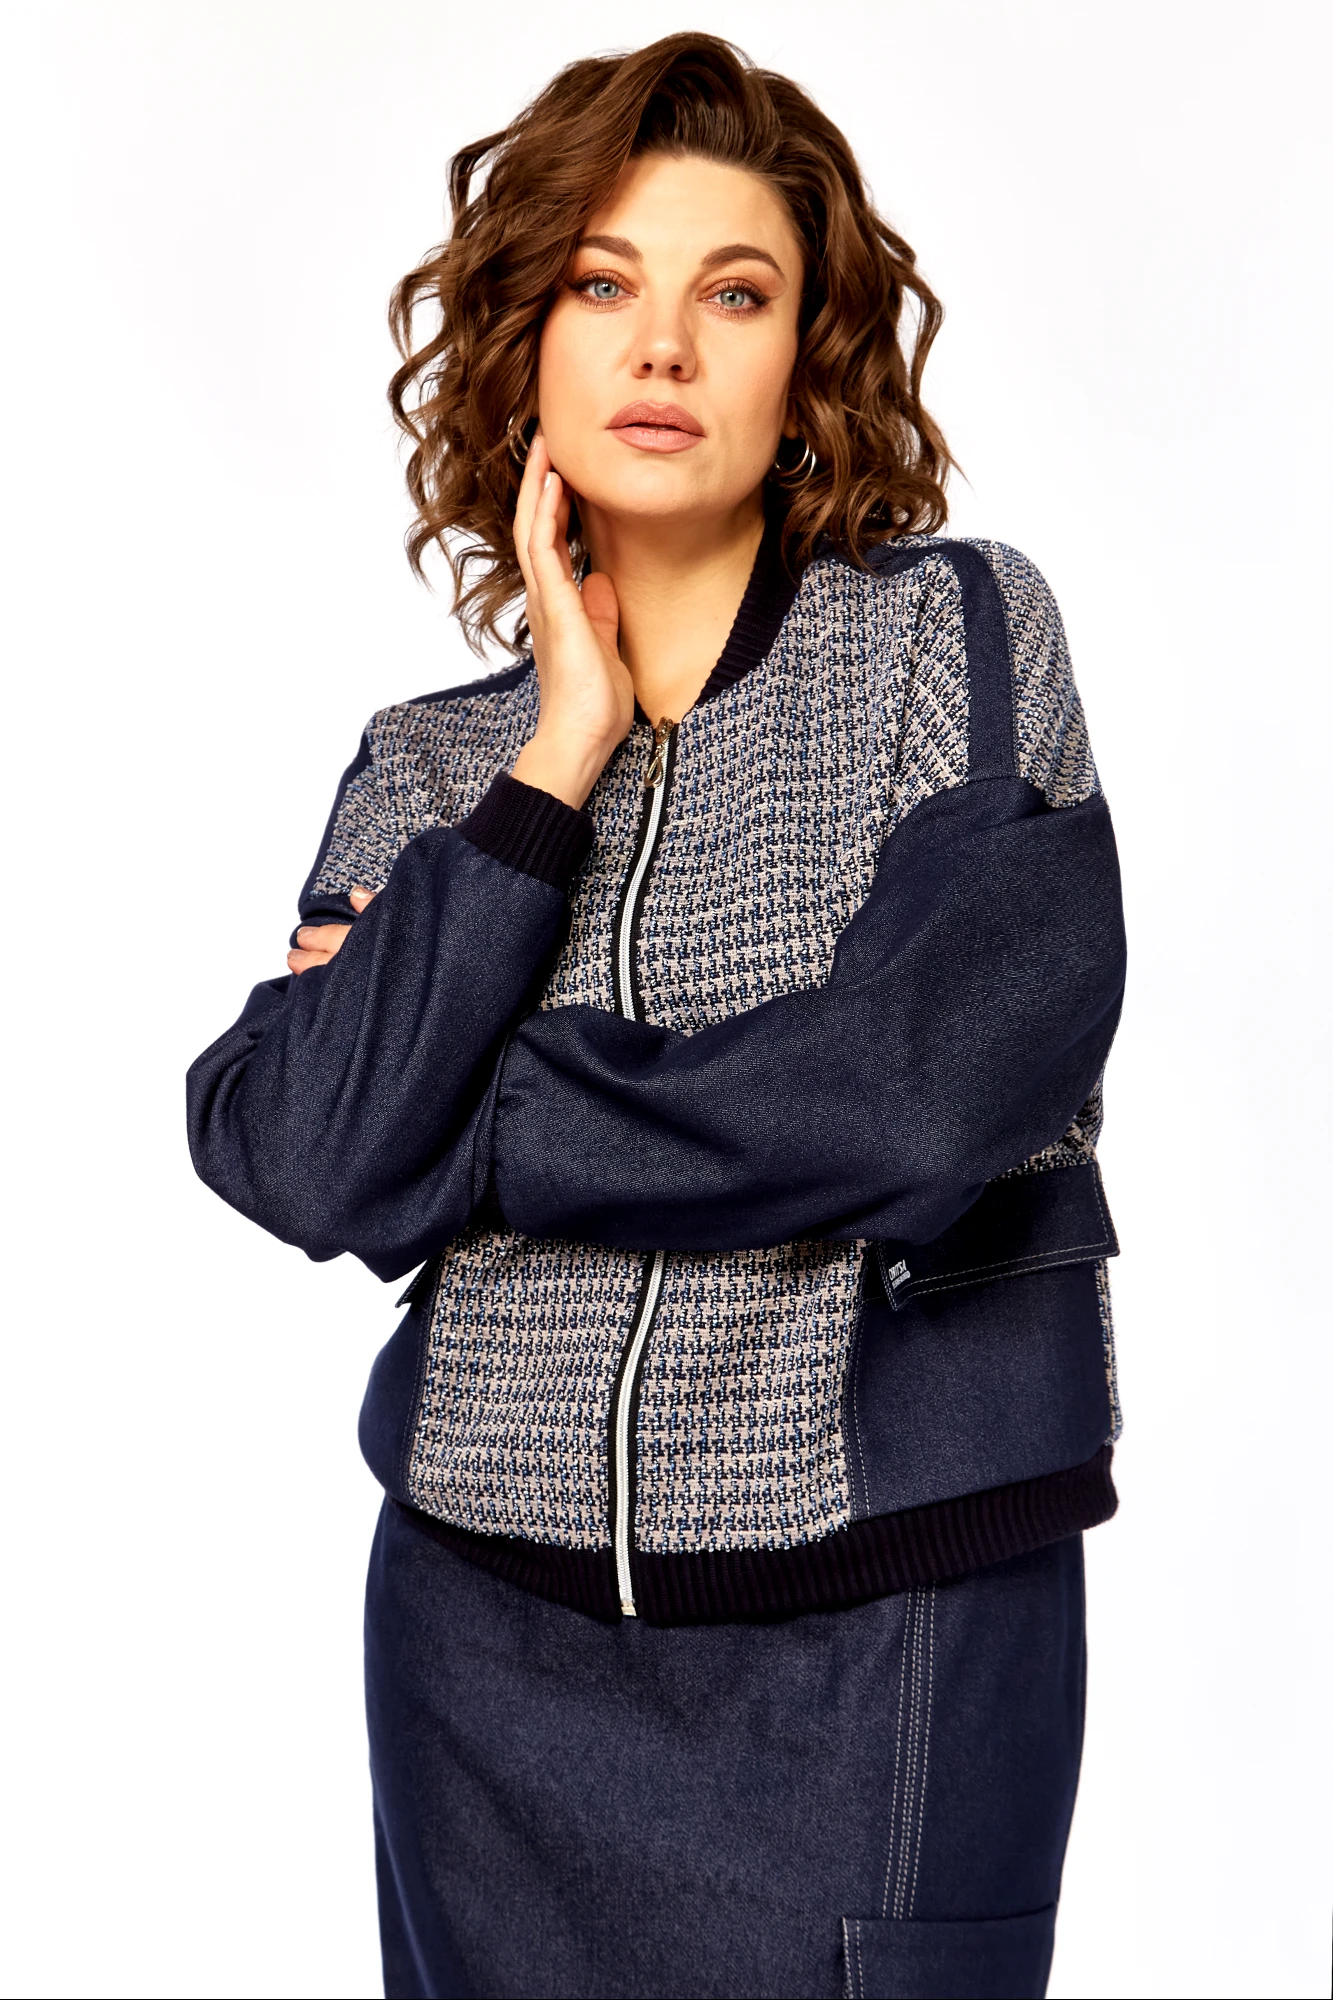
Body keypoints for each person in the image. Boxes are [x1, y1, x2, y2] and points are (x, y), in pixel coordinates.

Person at [187, 32, 1126, 2000]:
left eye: (738, 293)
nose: (666, 348)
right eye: (605, 283)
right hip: (478, 1656)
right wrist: (554, 763)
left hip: (878, 1641)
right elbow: (306, 1151)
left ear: (811, 357)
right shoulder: (434, 766)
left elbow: (919, 1091)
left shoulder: (949, 638)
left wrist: (480, 1116)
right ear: (527, 340)